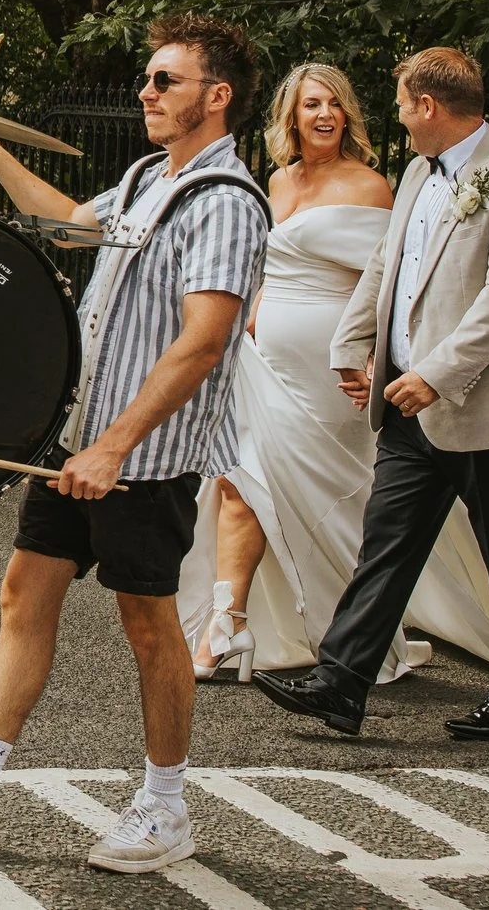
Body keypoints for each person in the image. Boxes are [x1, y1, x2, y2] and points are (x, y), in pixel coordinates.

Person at [0, 14, 270, 875]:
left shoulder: (228, 203)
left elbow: (203, 341)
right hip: (77, 436)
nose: (146, 92)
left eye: (165, 80)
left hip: (141, 458)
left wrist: (117, 446)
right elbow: (71, 225)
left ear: (217, 96)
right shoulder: (145, 177)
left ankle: (165, 809)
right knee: (26, 591)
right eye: (149, 79)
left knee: (150, 625)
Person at [254, 46, 489, 741]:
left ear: (428, 106)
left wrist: (437, 372)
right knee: (386, 544)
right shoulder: (421, 173)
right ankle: (341, 682)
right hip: (406, 405)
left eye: (400, 106)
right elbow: (384, 268)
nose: (396, 120)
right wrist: (352, 344)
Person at [184, 64, 394, 680]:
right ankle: (228, 624)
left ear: (347, 114)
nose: (324, 114)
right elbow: (268, 265)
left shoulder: (371, 186)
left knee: (325, 494)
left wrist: (376, 358)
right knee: (238, 480)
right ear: (292, 118)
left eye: (334, 103)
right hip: (267, 362)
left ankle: (352, 630)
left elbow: (381, 287)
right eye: (311, 105)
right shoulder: (275, 182)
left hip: (335, 368)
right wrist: (252, 309)